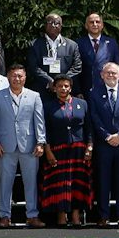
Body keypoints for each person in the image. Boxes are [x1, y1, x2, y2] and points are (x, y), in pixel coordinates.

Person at [0, 66, 46, 228]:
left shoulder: (34, 96)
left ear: (25, 77)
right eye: (14, 76)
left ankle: (32, 215)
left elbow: (39, 121)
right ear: (8, 77)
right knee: (5, 182)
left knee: (31, 183)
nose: (17, 79)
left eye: (20, 76)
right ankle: (5, 216)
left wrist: (40, 142)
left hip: (29, 146)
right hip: (5, 146)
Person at [89, 62, 119, 228]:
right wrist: (107, 136)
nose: (111, 75)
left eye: (114, 73)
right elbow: (94, 118)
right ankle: (103, 216)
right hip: (104, 144)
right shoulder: (94, 93)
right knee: (103, 182)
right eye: (107, 73)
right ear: (102, 75)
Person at [40, 75, 92, 227]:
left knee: (77, 183)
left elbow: (88, 127)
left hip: (79, 149)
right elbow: (45, 130)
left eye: (66, 86)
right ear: (54, 88)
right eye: (60, 86)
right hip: (57, 149)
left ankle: (76, 215)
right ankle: (61, 215)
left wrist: (90, 146)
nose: (63, 89)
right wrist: (47, 150)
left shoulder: (82, 103)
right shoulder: (48, 106)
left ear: (71, 88)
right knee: (60, 183)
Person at [27, 15, 84, 92]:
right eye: (50, 22)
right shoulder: (34, 44)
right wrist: (49, 81)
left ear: (61, 26)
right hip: (42, 89)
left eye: (57, 23)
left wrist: (62, 81)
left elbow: (77, 67)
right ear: (45, 25)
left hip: (65, 90)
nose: (53, 25)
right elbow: (33, 67)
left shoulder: (72, 45)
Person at [74, 13, 119, 99]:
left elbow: (117, 66)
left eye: (98, 22)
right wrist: (77, 91)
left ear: (102, 25)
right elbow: (75, 68)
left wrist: (118, 88)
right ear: (86, 25)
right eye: (91, 22)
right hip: (86, 90)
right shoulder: (78, 43)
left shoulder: (111, 43)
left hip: (106, 88)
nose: (95, 24)